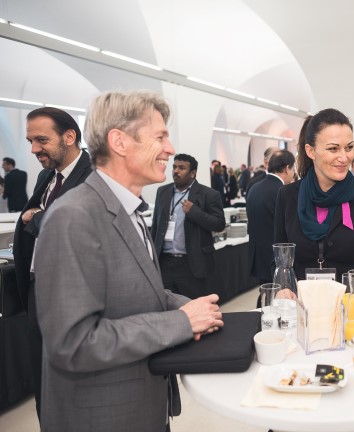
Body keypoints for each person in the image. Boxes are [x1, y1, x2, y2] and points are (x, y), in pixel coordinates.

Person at [33, 90, 224, 432]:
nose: (169, 149)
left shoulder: (129, 209)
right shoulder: (73, 217)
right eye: (160, 137)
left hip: (144, 408)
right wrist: (181, 322)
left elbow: (138, 290)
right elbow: (73, 343)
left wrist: (191, 307)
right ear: (119, 142)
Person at [11, 107, 93, 421]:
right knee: (43, 378)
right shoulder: (46, 176)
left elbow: (78, 224)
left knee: (74, 382)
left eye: (41, 140)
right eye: (30, 141)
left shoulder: (94, 175)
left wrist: (36, 218)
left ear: (69, 136)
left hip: (74, 295)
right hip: (37, 290)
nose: (34, 149)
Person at [274, 108, 354, 305]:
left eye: (349, 147)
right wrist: (283, 288)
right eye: (333, 149)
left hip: (352, 308)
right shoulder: (288, 196)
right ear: (311, 151)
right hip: (303, 309)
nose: (344, 157)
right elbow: (278, 259)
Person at [151, 153, 226, 299]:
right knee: (166, 305)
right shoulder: (162, 192)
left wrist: (194, 212)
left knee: (192, 305)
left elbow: (219, 224)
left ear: (192, 173)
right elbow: (156, 226)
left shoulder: (209, 194)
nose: (176, 171)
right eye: (174, 167)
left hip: (192, 264)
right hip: (165, 263)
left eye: (181, 168)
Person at [246, 150, 296, 293]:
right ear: (287, 168)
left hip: (258, 256)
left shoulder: (254, 187)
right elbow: (290, 226)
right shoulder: (283, 191)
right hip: (277, 259)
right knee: (279, 298)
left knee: (266, 294)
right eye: (293, 168)